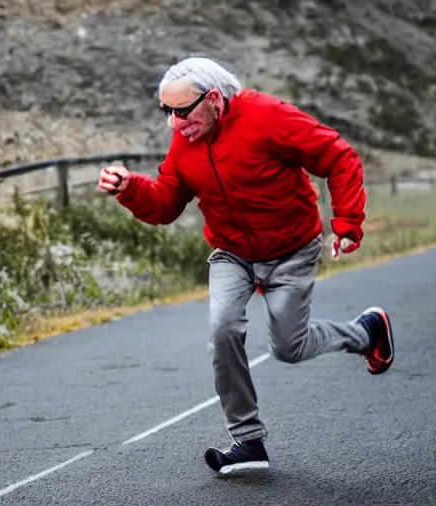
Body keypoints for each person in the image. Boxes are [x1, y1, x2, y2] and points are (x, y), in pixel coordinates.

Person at [99, 56, 394, 476]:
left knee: (288, 348)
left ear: (214, 99)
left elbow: (338, 157)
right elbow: (166, 202)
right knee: (222, 328)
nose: (174, 123)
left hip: (292, 249)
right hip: (232, 252)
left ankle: (366, 332)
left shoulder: (268, 117)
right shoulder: (186, 137)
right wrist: (130, 188)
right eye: (166, 111)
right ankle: (248, 440)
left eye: (181, 110)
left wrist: (346, 222)